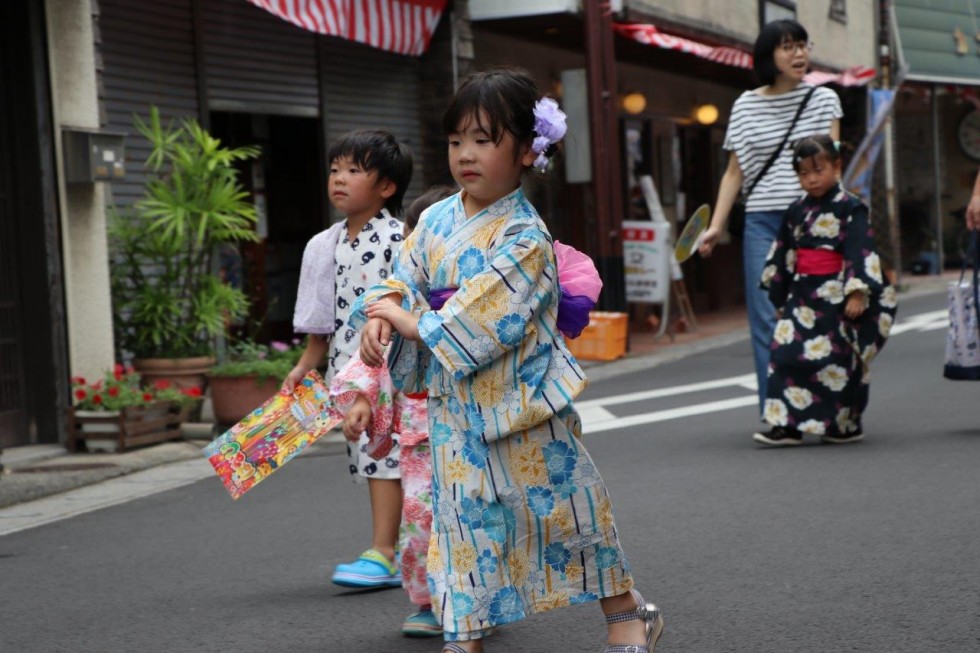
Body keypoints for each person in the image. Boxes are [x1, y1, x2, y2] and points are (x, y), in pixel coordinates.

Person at [353, 68, 663, 653]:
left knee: (564, 514)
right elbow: (401, 278)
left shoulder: (525, 237)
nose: (465, 155)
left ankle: (627, 611)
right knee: (462, 523)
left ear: (526, 151)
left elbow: (474, 323)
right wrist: (381, 310)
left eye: (484, 139)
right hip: (456, 406)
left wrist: (403, 317)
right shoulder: (439, 219)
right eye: (455, 141)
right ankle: (463, 636)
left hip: (523, 404)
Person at [283, 129, 412, 589]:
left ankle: (385, 552)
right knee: (372, 454)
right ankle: (395, 550)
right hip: (346, 367)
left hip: (393, 365)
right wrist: (305, 366)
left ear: (386, 188)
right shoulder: (324, 243)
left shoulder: (402, 238)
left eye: (354, 170)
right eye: (334, 170)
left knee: (389, 456)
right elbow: (321, 318)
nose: (339, 179)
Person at [328, 186, 457, 639]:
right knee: (420, 520)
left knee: (473, 521)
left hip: (472, 429)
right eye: (411, 236)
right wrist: (361, 399)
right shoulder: (395, 299)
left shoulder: (472, 293)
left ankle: (475, 604)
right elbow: (370, 358)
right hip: (419, 440)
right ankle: (426, 601)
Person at [698, 19, 843, 416]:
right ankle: (776, 411)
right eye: (787, 47)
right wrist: (717, 225)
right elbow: (735, 172)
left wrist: (842, 220)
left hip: (813, 221)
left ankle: (825, 408)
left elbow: (834, 167)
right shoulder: (745, 105)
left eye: (802, 45)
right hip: (762, 221)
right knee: (765, 318)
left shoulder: (824, 100)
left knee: (816, 315)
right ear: (768, 56)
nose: (799, 54)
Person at [754, 135, 897, 446]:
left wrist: (857, 291)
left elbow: (860, 249)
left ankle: (842, 425)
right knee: (784, 354)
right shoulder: (795, 210)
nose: (812, 179)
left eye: (818, 170)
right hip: (802, 293)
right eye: (803, 173)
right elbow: (784, 252)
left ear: (836, 166)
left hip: (837, 293)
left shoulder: (852, 207)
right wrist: (780, 294)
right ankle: (787, 425)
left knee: (836, 361)